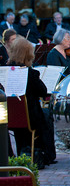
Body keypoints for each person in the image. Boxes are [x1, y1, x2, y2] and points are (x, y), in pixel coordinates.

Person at [7, 37, 56, 167]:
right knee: (45, 114)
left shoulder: (4, 71)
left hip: (8, 117)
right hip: (30, 119)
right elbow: (43, 91)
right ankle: (46, 155)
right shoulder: (31, 73)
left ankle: (18, 154)